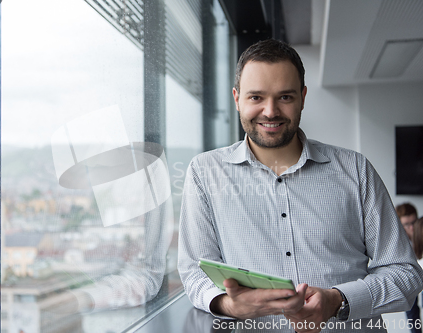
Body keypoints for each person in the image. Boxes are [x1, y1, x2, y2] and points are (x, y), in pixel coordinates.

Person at [177, 39, 423, 333]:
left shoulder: (355, 170)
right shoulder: (204, 173)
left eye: (285, 97)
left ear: (303, 98)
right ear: (237, 98)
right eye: (256, 97)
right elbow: (194, 271)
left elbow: (405, 273)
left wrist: (337, 300)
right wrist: (228, 305)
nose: (270, 111)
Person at [398, 203, 422, 333]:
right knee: (412, 311)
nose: (412, 227)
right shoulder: (399, 242)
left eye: (414, 222)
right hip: (410, 279)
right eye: (407, 224)